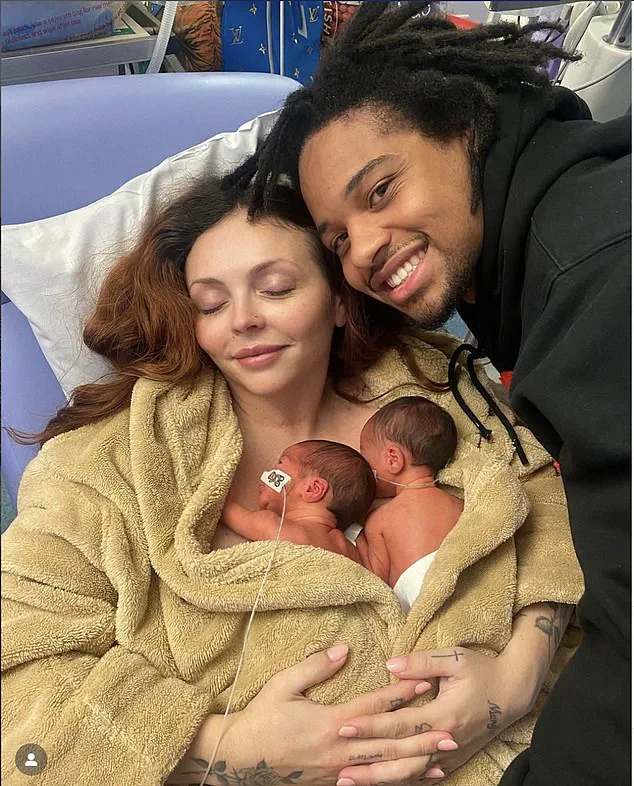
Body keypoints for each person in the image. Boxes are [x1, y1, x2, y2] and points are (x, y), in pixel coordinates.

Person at [1, 174, 583, 786]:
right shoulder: (108, 464)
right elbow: (17, 683)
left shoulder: (433, 390)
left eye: (275, 289)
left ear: (338, 300)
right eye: (211, 304)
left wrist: (516, 678)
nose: (243, 320)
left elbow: (553, 507)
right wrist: (228, 750)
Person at [235, 5, 630, 783]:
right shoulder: (524, 275)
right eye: (337, 241)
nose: (363, 252)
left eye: (380, 191)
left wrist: (519, 678)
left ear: (466, 129)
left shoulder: (596, 281)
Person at [355, 396, 464, 611]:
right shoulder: (457, 503)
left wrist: (352, 532)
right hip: (464, 589)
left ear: (393, 459)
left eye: (364, 459)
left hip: (422, 602)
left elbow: (373, 580)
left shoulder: (379, 519)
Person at [222, 439, 374, 561]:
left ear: (312, 489)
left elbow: (221, 506)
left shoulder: (273, 526)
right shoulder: (348, 548)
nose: (268, 474)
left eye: (280, 465)